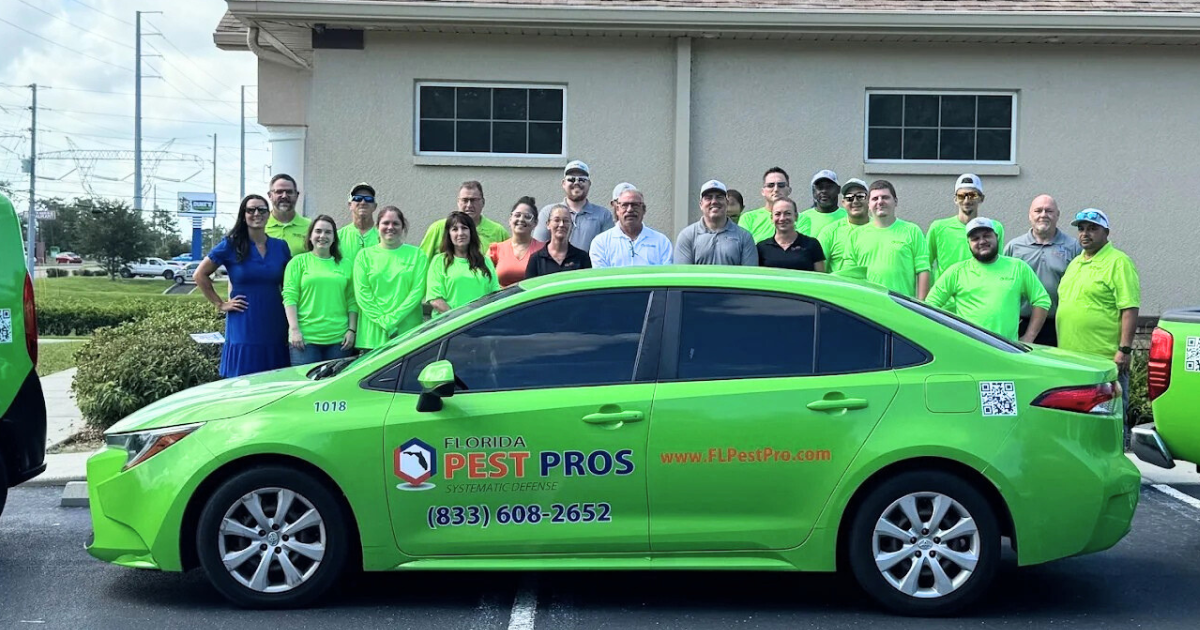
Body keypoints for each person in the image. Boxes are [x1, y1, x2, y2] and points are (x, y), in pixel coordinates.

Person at [195, 194, 291, 377]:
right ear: (243, 214)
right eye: (251, 210)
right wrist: (220, 304)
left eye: (262, 210)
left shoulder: (280, 246)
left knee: (275, 379)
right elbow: (199, 275)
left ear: (268, 214)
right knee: (243, 378)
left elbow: (289, 284)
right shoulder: (231, 245)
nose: (256, 214)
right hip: (244, 320)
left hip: (275, 320)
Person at [1056, 209, 1140, 420]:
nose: (1085, 233)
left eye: (1093, 228)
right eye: (1082, 229)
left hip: (1104, 359)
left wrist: (1124, 349)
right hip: (1071, 358)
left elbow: (1129, 307)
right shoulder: (1076, 263)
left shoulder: (1118, 262)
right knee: (1078, 419)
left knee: (1110, 418)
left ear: (1106, 232)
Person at [925, 217, 1051, 342]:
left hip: (1006, 350)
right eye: (975, 239)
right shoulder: (956, 272)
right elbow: (930, 305)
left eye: (986, 236)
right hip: (970, 349)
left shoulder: (1018, 267)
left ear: (996, 237)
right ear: (968, 243)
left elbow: (1041, 300)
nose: (982, 241)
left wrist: (1029, 336)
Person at [1003, 194, 1082, 346]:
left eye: (1049, 211)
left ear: (1057, 215)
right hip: (1021, 323)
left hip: (1058, 325)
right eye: (1038, 211)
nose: (1043, 215)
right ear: (1030, 215)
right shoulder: (1014, 247)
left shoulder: (1073, 247)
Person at [282, 215, 358, 365]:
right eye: (318, 231)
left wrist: (352, 330)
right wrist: (295, 330)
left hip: (339, 340)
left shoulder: (345, 264)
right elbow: (290, 297)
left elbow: (352, 299)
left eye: (328, 232)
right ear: (310, 236)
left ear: (334, 238)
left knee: (335, 387)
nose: (322, 236)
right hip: (305, 340)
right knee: (306, 388)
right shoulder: (297, 262)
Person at [353, 206, 428, 351]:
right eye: (385, 223)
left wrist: (390, 321)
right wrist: (385, 322)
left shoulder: (417, 255)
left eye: (395, 223)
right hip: (372, 336)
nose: (390, 227)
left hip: (407, 333)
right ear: (377, 227)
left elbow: (417, 292)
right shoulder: (364, 256)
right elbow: (363, 295)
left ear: (402, 227)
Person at [846, 180, 931, 299]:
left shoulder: (912, 231)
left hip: (901, 306)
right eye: (875, 199)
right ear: (868, 204)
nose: (880, 202)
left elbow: (923, 270)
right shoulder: (856, 235)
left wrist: (922, 306)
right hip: (866, 308)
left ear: (895, 202)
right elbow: (850, 276)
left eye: (885, 197)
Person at [927, 173, 1006, 282]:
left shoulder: (994, 227)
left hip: (980, 294)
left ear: (981, 198)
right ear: (955, 199)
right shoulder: (938, 227)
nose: (967, 200)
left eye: (972, 195)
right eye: (961, 196)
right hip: (947, 297)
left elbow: (996, 263)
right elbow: (926, 264)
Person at [426, 211, 501, 316]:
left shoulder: (485, 261)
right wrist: (460, 321)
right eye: (455, 229)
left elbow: (495, 295)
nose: (460, 233)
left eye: (464, 228)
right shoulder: (439, 261)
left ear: (471, 232)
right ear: (449, 234)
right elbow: (435, 300)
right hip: (451, 326)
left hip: (481, 324)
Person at [674, 180, 757, 266]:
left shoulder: (744, 237)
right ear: (701, 204)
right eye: (708, 198)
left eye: (719, 197)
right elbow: (683, 274)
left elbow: (749, 276)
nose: (714, 201)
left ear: (727, 203)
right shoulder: (687, 236)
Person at [418, 181, 509, 260]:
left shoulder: (498, 231)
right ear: (458, 202)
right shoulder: (438, 228)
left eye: (474, 200)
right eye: (465, 200)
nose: (469, 205)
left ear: (483, 202)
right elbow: (422, 261)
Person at [533, 160, 610, 251]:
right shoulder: (548, 212)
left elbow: (609, 249)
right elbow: (538, 248)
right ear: (563, 183)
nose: (576, 183)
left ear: (589, 184)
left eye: (582, 179)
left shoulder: (603, 215)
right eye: (571, 179)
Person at [589, 187, 674, 268]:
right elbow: (603, 278)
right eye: (625, 205)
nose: (629, 210)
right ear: (617, 210)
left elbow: (665, 277)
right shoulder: (601, 243)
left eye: (635, 205)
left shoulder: (661, 242)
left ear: (643, 210)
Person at [489, 196, 546, 287]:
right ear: (510, 219)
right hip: (503, 300)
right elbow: (483, 280)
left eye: (527, 217)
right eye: (517, 215)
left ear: (535, 223)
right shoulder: (496, 250)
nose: (521, 219)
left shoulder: (544, 250)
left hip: (533, 300)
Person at [757, 197, 825, 272]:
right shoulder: (761, 248)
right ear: (771, 218)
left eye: (787, 213)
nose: (782, 218)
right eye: (777, 214)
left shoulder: (812, 244)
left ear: (796, 217)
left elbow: (821, 277)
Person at [817, 178, 870, 273]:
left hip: (872, 287)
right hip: (841, 287)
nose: (855, 201)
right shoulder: (830, 232)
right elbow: (819, 271)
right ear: (843, 203)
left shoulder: (879, 228)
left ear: (869, 200)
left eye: (860, 196)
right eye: (849, 197)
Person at [526, 204, 592, 278]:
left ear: (571, 226)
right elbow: (529, 287)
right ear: (548, 224)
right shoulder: (536, 259)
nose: (561, 224)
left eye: (566, 221)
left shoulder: (582, 257)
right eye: (557, 220)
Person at [738, 167, 791, 243]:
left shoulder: (801, 219)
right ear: (763, 191)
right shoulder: (748, 219)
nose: (776, 189)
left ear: (789, 190)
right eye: (770, 185)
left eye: (781, 185)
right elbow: (743, 248)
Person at [264, 174, 312, 256]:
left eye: (289, 192)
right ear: (270, 195)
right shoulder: (260, 226)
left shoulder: (310, 226)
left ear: (297, 195)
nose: (284, 196)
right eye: (279, 192)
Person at [337, 182, 380, 266]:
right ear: (350, 205)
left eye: (369, 199)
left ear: (375, 206)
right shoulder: (338, 237)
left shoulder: (382, 236)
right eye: (357, 198)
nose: (363, 202)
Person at [799, 169, 846, 238]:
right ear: (814, 192)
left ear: (838, 189)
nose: (824, 191)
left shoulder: (849, 217)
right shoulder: (802, 219)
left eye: (829, 187)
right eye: (820, 187)